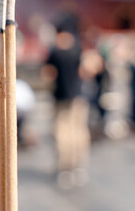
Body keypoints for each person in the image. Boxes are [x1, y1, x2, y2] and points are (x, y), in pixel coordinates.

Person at [43, 13, 89, 188]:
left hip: (61, 98)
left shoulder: (55, 50)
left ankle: (64, 168)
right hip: (78, 97)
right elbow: (84, 71)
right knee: (79, 132)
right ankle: (78, 167)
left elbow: (48, 73)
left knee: (62, 133)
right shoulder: (77, 48)